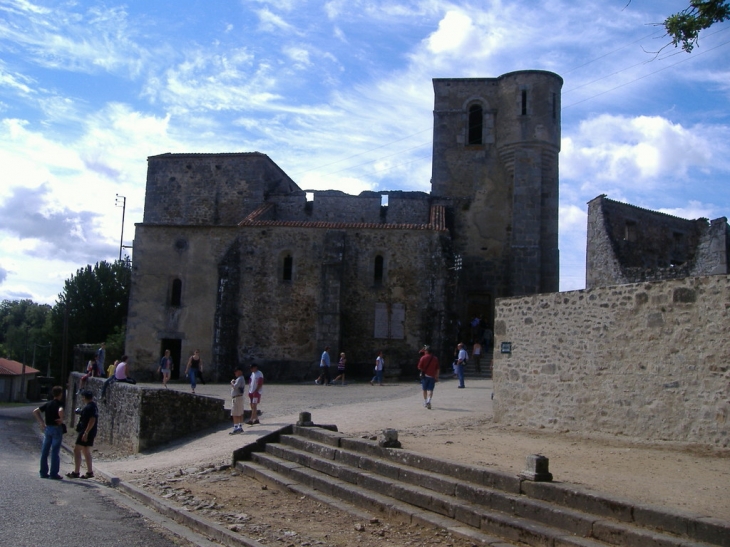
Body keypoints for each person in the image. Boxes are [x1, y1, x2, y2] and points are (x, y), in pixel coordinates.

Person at [32, 386, 65, 480]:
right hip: (56, 428)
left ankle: (43, 472)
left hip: (48, 428)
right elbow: (60, 410)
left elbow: (35, 411)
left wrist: (41, 422)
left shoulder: (48, 404)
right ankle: (53, 473)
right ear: (60, 394)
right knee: (55, 451)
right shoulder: (60, 404)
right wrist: (61, 419)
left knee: (45, 451)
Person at [66, 390, 98, 479]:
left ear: (84, 397)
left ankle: (76, 472)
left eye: (83, 397)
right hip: (89, 431)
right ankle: (89, 472)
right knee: (85, 450)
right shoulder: (93, 406)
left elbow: (92, 420)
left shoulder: (89, 407)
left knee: (77, 450)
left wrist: (86, 433)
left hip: (86, 431)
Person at [417, 345, 439, 409]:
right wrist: (437, 376)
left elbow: (419, 367)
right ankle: (429, 400)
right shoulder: (435, 358)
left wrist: (423, 370)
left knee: (424, 389)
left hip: (425, 376)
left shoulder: (423, 358)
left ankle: (425, 401)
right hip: (432, 376)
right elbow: (437, 368)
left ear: (426, 351)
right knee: (431, 389)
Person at [229, 368, 246, 435]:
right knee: (240, 413)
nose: (235, 373)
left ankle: (236, 427)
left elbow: (235, 387)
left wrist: (232, 383)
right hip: (239, 397)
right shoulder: (241, 379)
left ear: (239, 371)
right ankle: (240, 426)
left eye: (236, 372)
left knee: (235, 413)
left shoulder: (240, 378)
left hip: (237, 398)